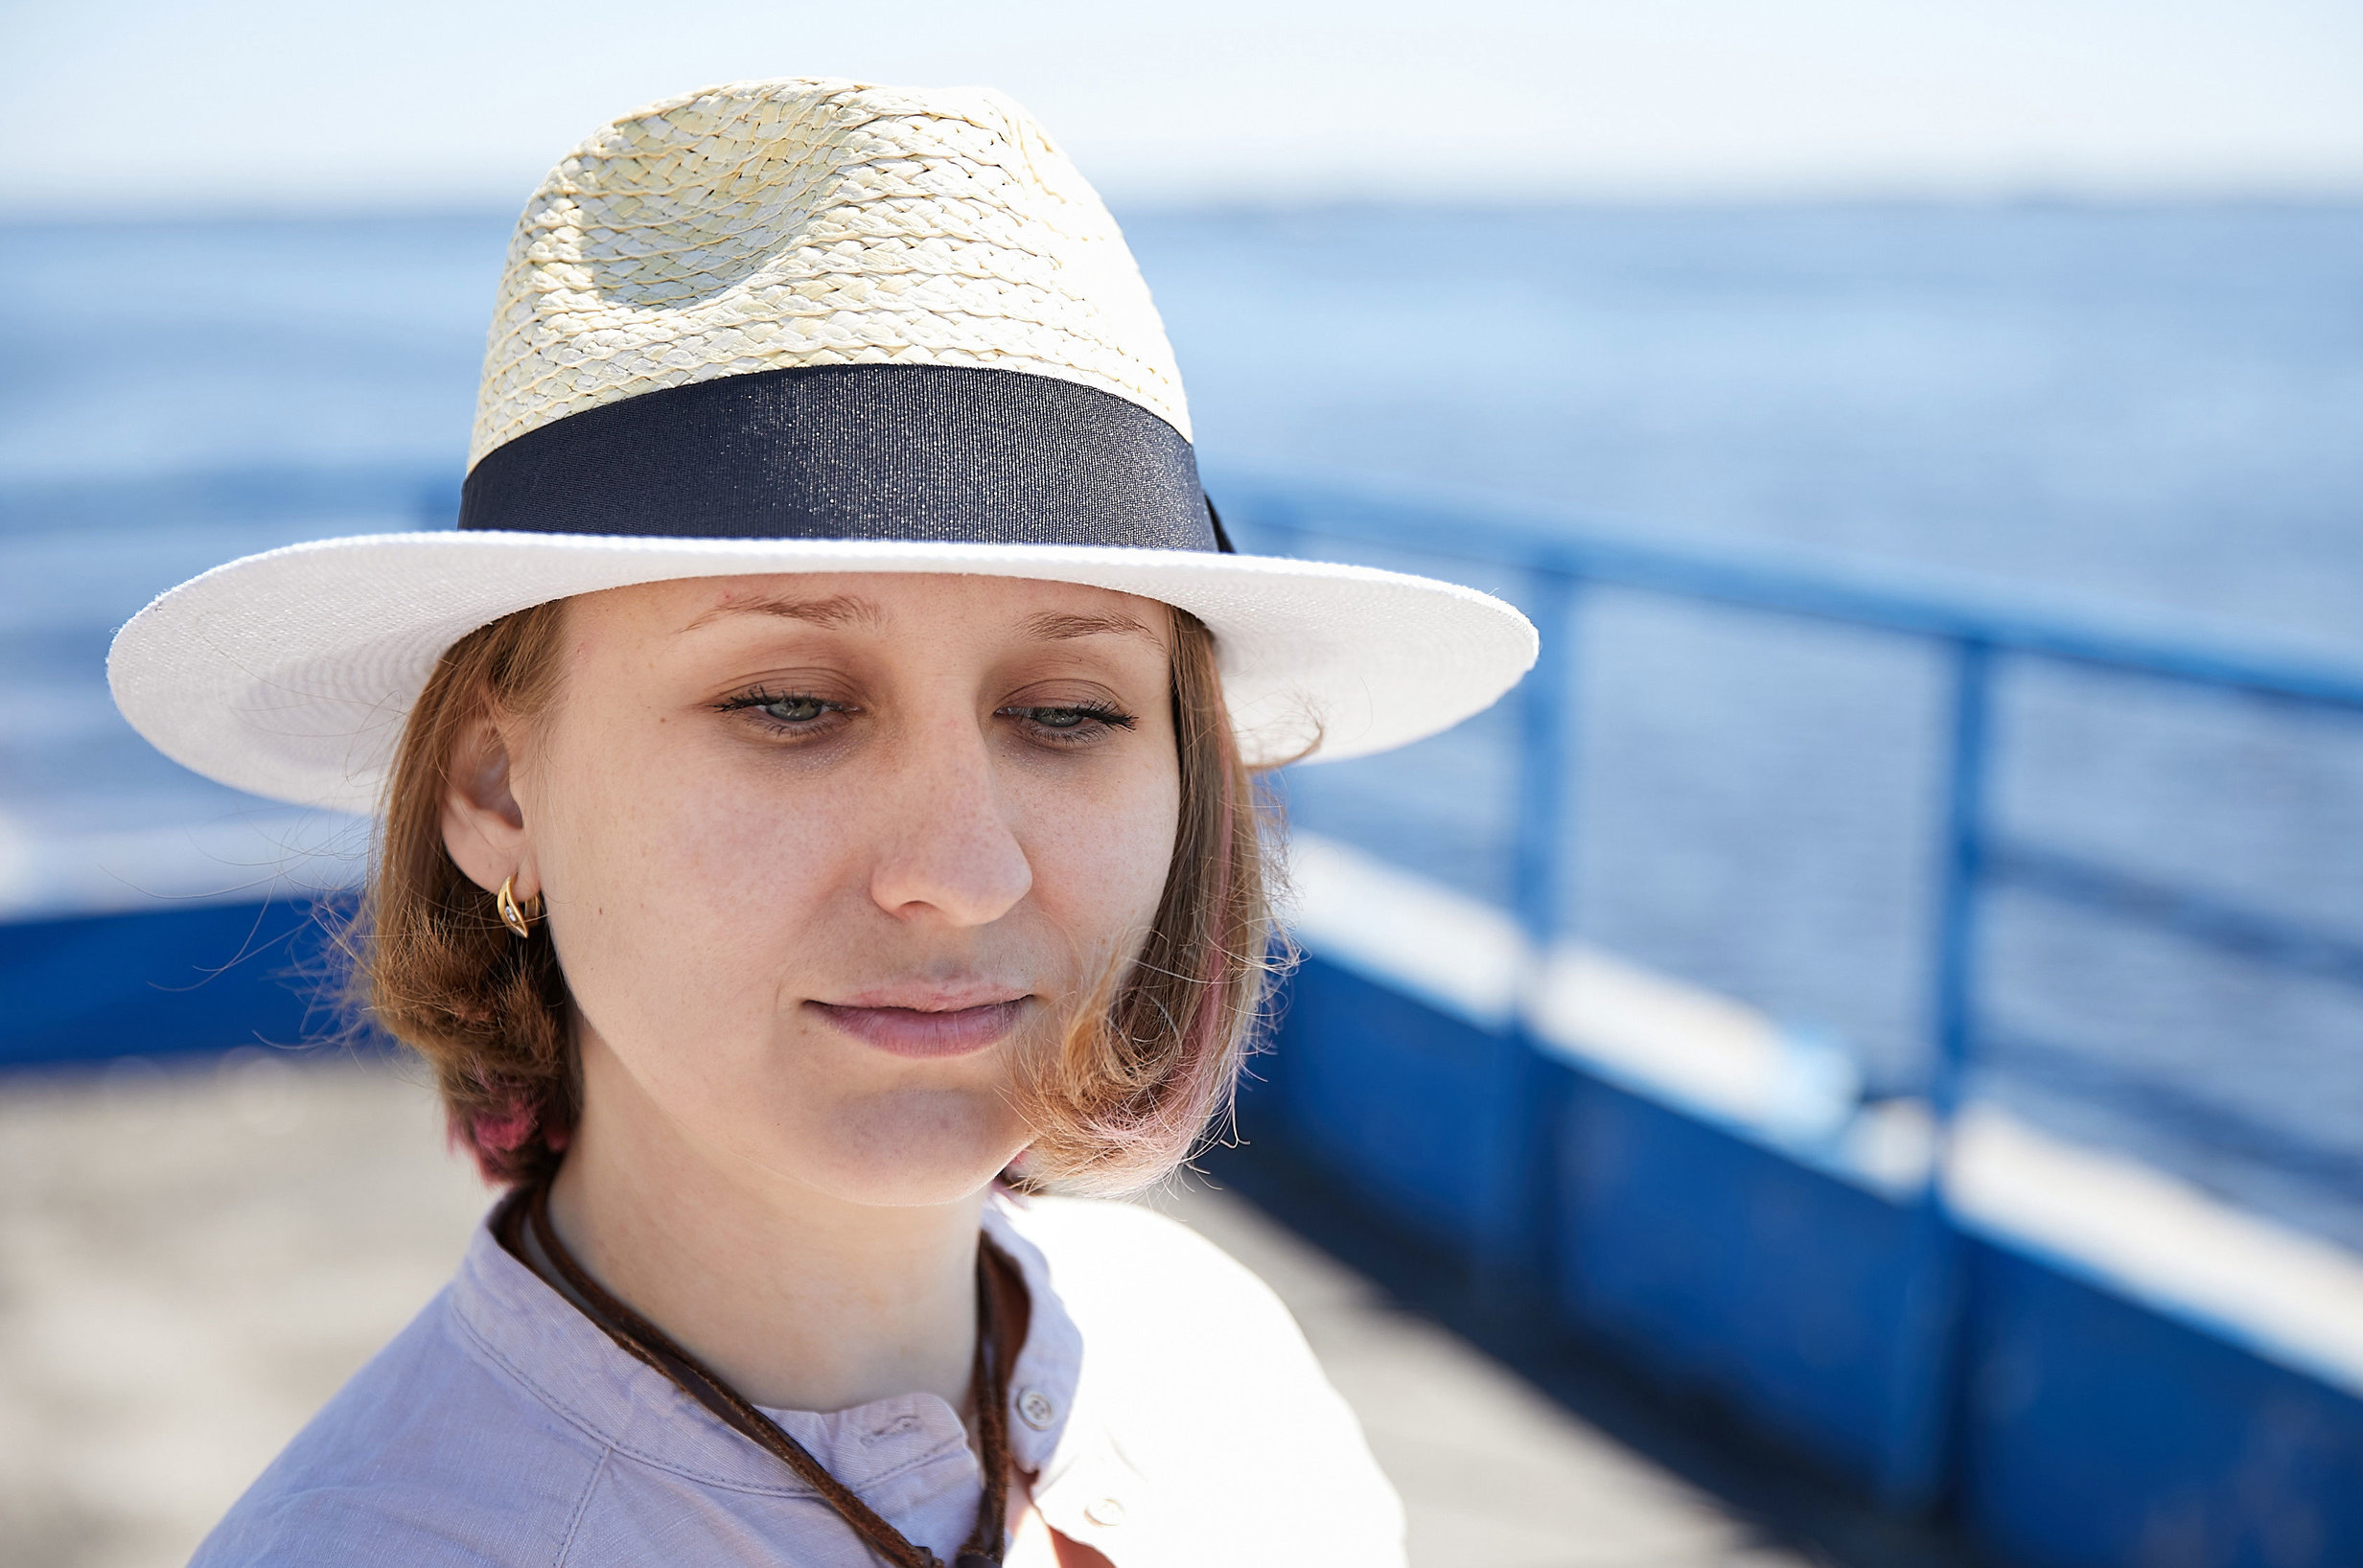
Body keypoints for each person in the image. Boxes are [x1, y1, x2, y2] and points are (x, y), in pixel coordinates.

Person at [109, 79, 1535, 1567]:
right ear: (496, 787)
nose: (961, 872)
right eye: (790, 702)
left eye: (1070, 712)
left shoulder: (1220, 1367)